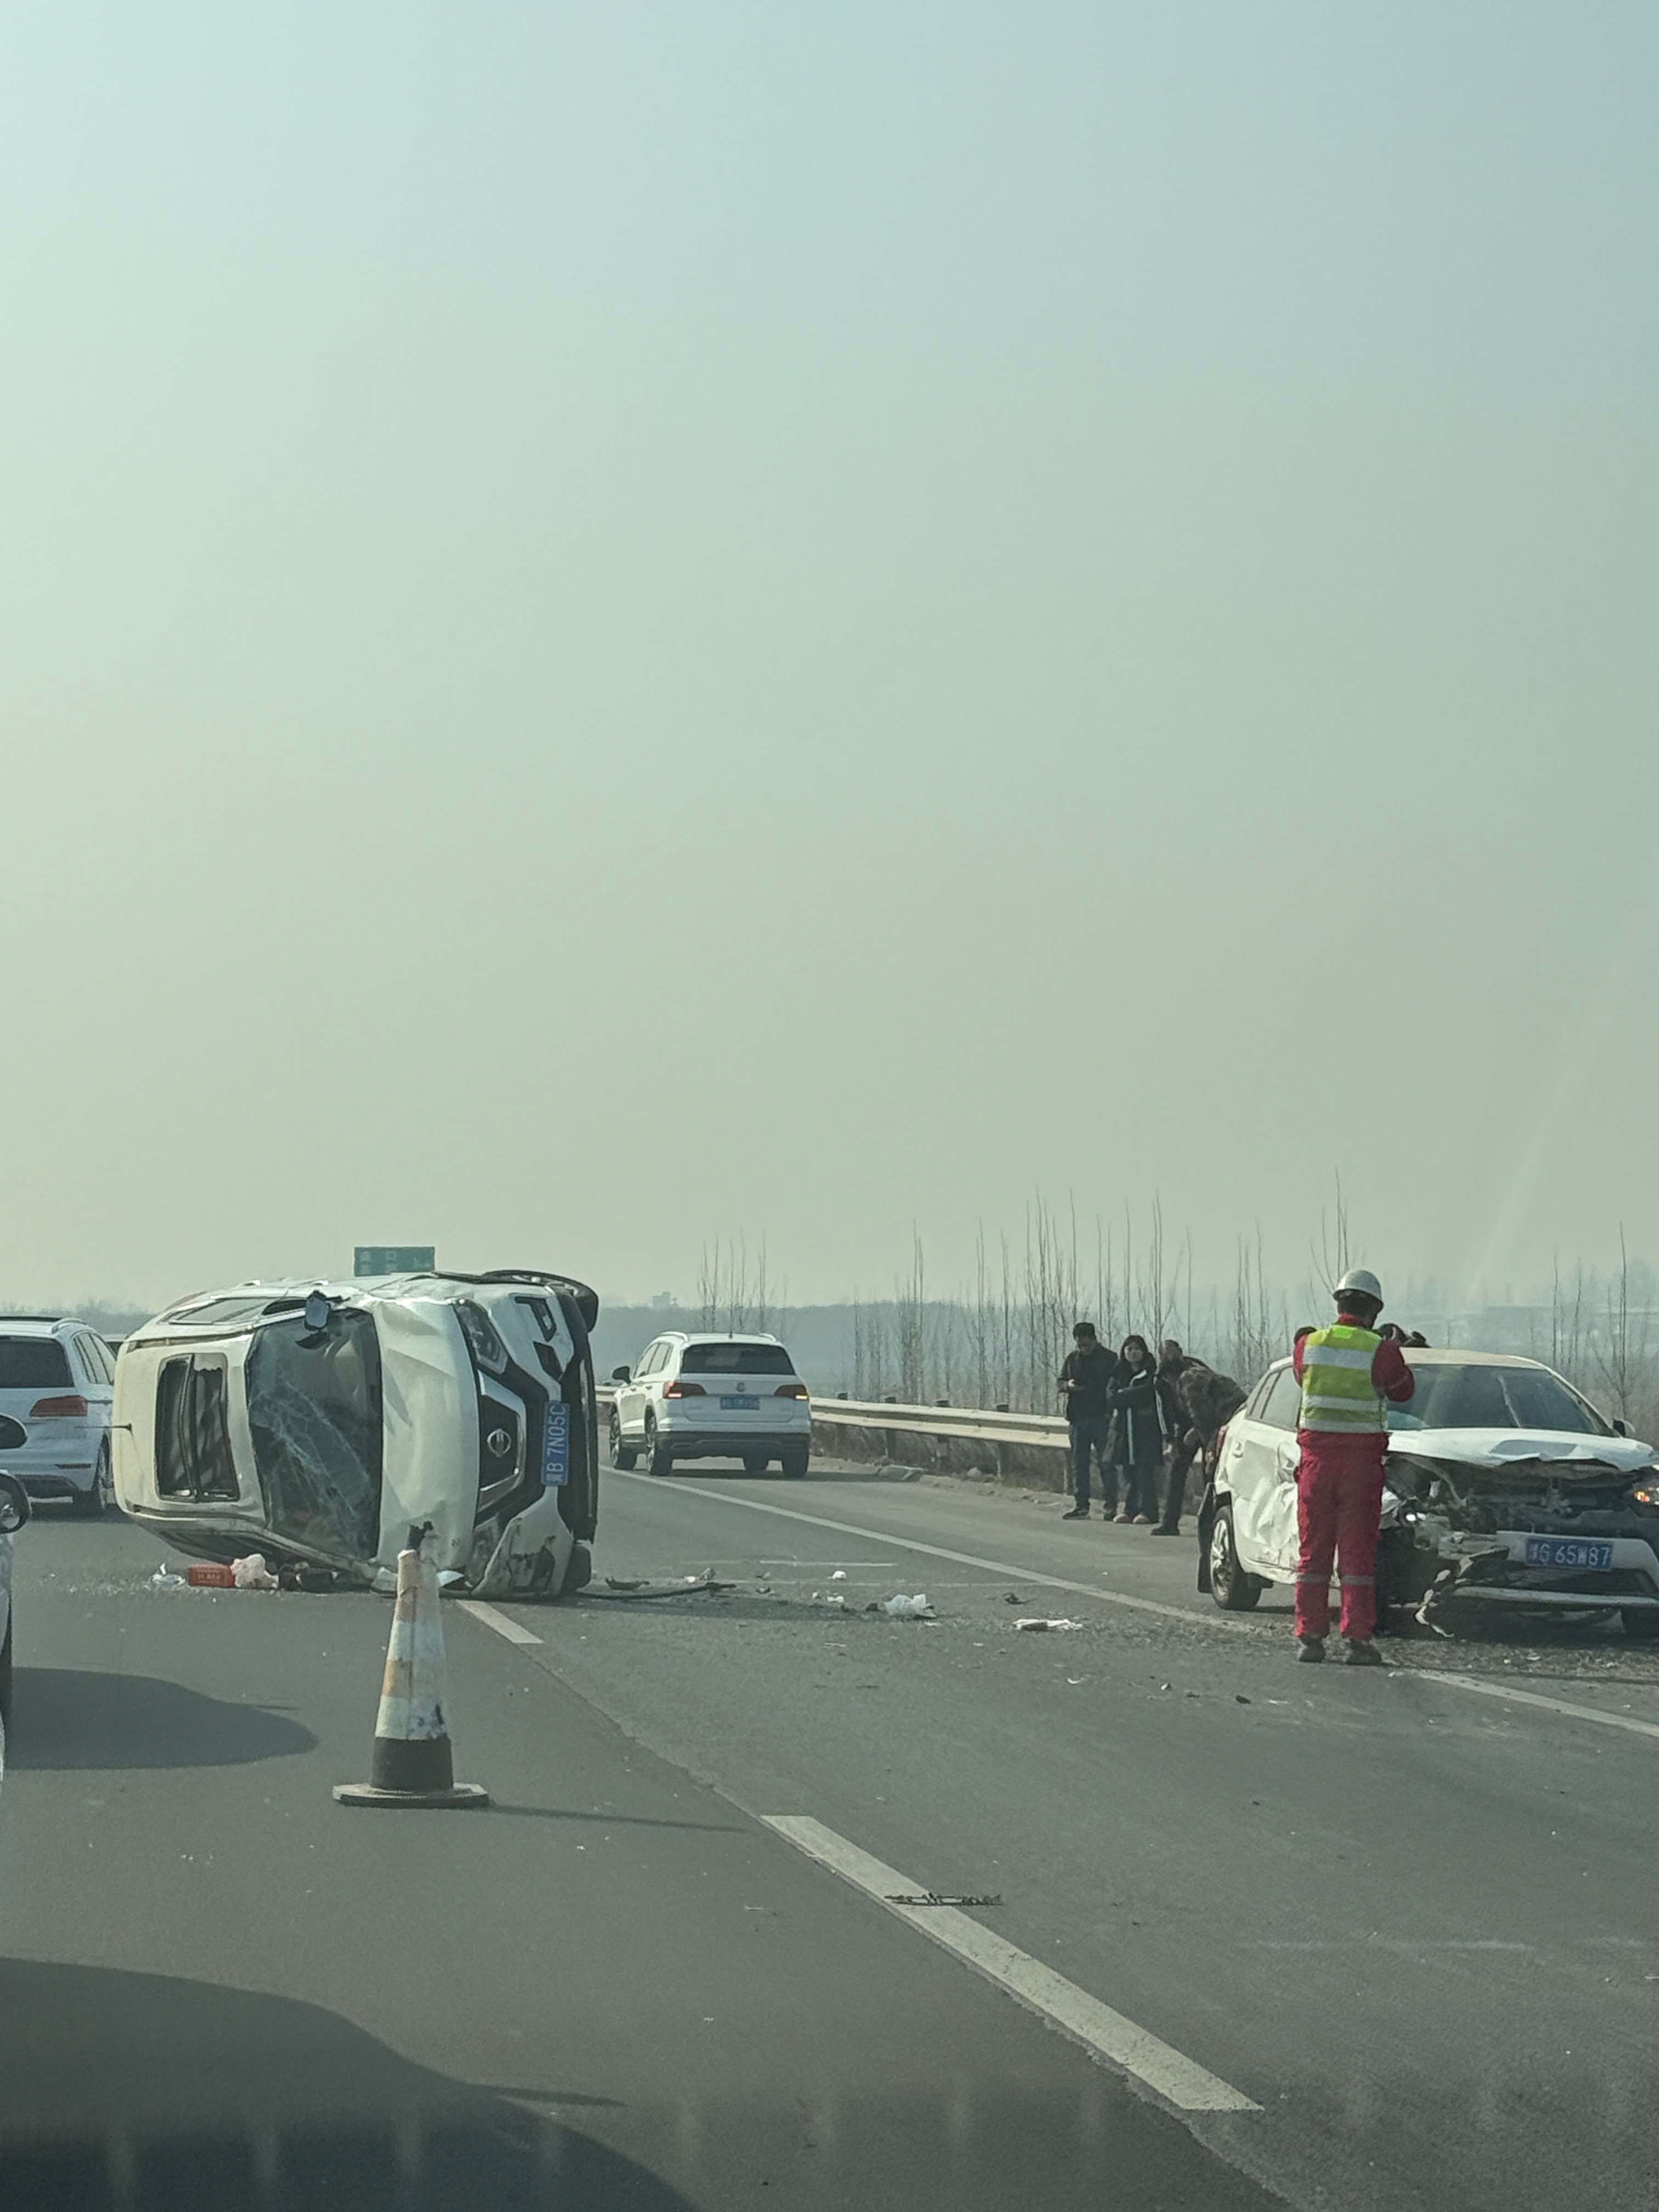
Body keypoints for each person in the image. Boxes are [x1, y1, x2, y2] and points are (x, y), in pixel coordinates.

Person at [1291, 1267, 1415, 1665]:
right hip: (1360, 1468)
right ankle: (1357, 1639)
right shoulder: (1381, 1350)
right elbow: (1404, 1390)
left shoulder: (1309, 1345)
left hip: (1316, 1464)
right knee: (1358, 1557)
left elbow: (1301, 1377)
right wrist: (1394, 1348)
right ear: (1374, 1310)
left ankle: (1309, 1637)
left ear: (1339, 1303)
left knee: (1313, 1553)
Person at [1152, 1341, 1246, 1535]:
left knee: (1210, 1472)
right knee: (1179, 1468)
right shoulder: (1161, 1380)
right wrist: (1170, 1437)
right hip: (1191, 1422)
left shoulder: (1190, 1378)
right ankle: (1171, 1521)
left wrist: (1203, 1441)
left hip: (1220, 1419)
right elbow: (1165, 1411)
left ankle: (1211, 1523)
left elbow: (1203, 1417)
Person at [1103, 1334, 1175, 1523]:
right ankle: (1129, 1509)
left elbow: (1146, 1394)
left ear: (1143, 1351)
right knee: (1128, 1472)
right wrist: (1124, 1397)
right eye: (1129, 1349)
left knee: (1145, 1472)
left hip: (1146, 1430)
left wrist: (1124, 1394)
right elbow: (1111, 1398)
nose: (1133, 1352)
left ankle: (1149, 1511)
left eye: (1136, 1349)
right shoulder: (1118, 1373)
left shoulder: (1152, 1373)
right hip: (1123, 1432)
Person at [1057, 1322, 1120, 1520]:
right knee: (1079, 1464)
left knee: (1106, 1464)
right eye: (1079, 1345)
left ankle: (1111, 1506)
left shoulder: (1109, 1359)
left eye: (1086, 1344)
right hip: (1077, 1418)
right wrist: (1068, 1385)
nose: (1082, 1349)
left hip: (1101, 1417)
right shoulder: (1072, 1359)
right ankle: (1081, 1505)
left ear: (1094, 1339)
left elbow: (1116, 1384)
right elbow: (1060, 1382)